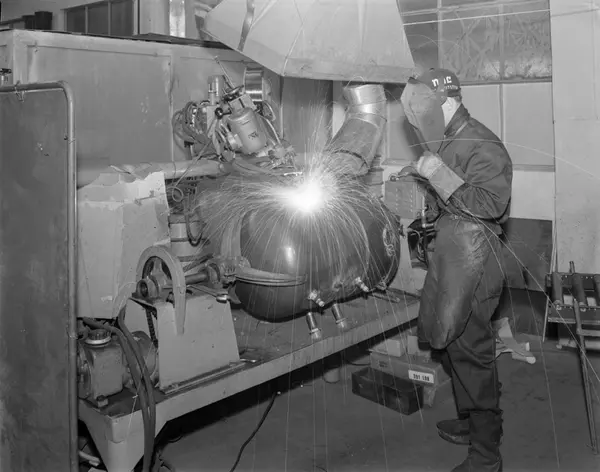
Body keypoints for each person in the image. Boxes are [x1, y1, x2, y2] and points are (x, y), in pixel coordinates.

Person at [400, 68, 513, 472]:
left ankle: (486, 456)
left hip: (477, 260)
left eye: (422, 110)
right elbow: (451, 195)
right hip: (454, 252)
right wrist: (420, 180)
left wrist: (436, 173)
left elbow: (490, 205)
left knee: (471, 351)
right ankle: (471, 422)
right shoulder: (448, 139)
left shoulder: (482, 143)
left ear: (445, 102)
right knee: (447, 342)